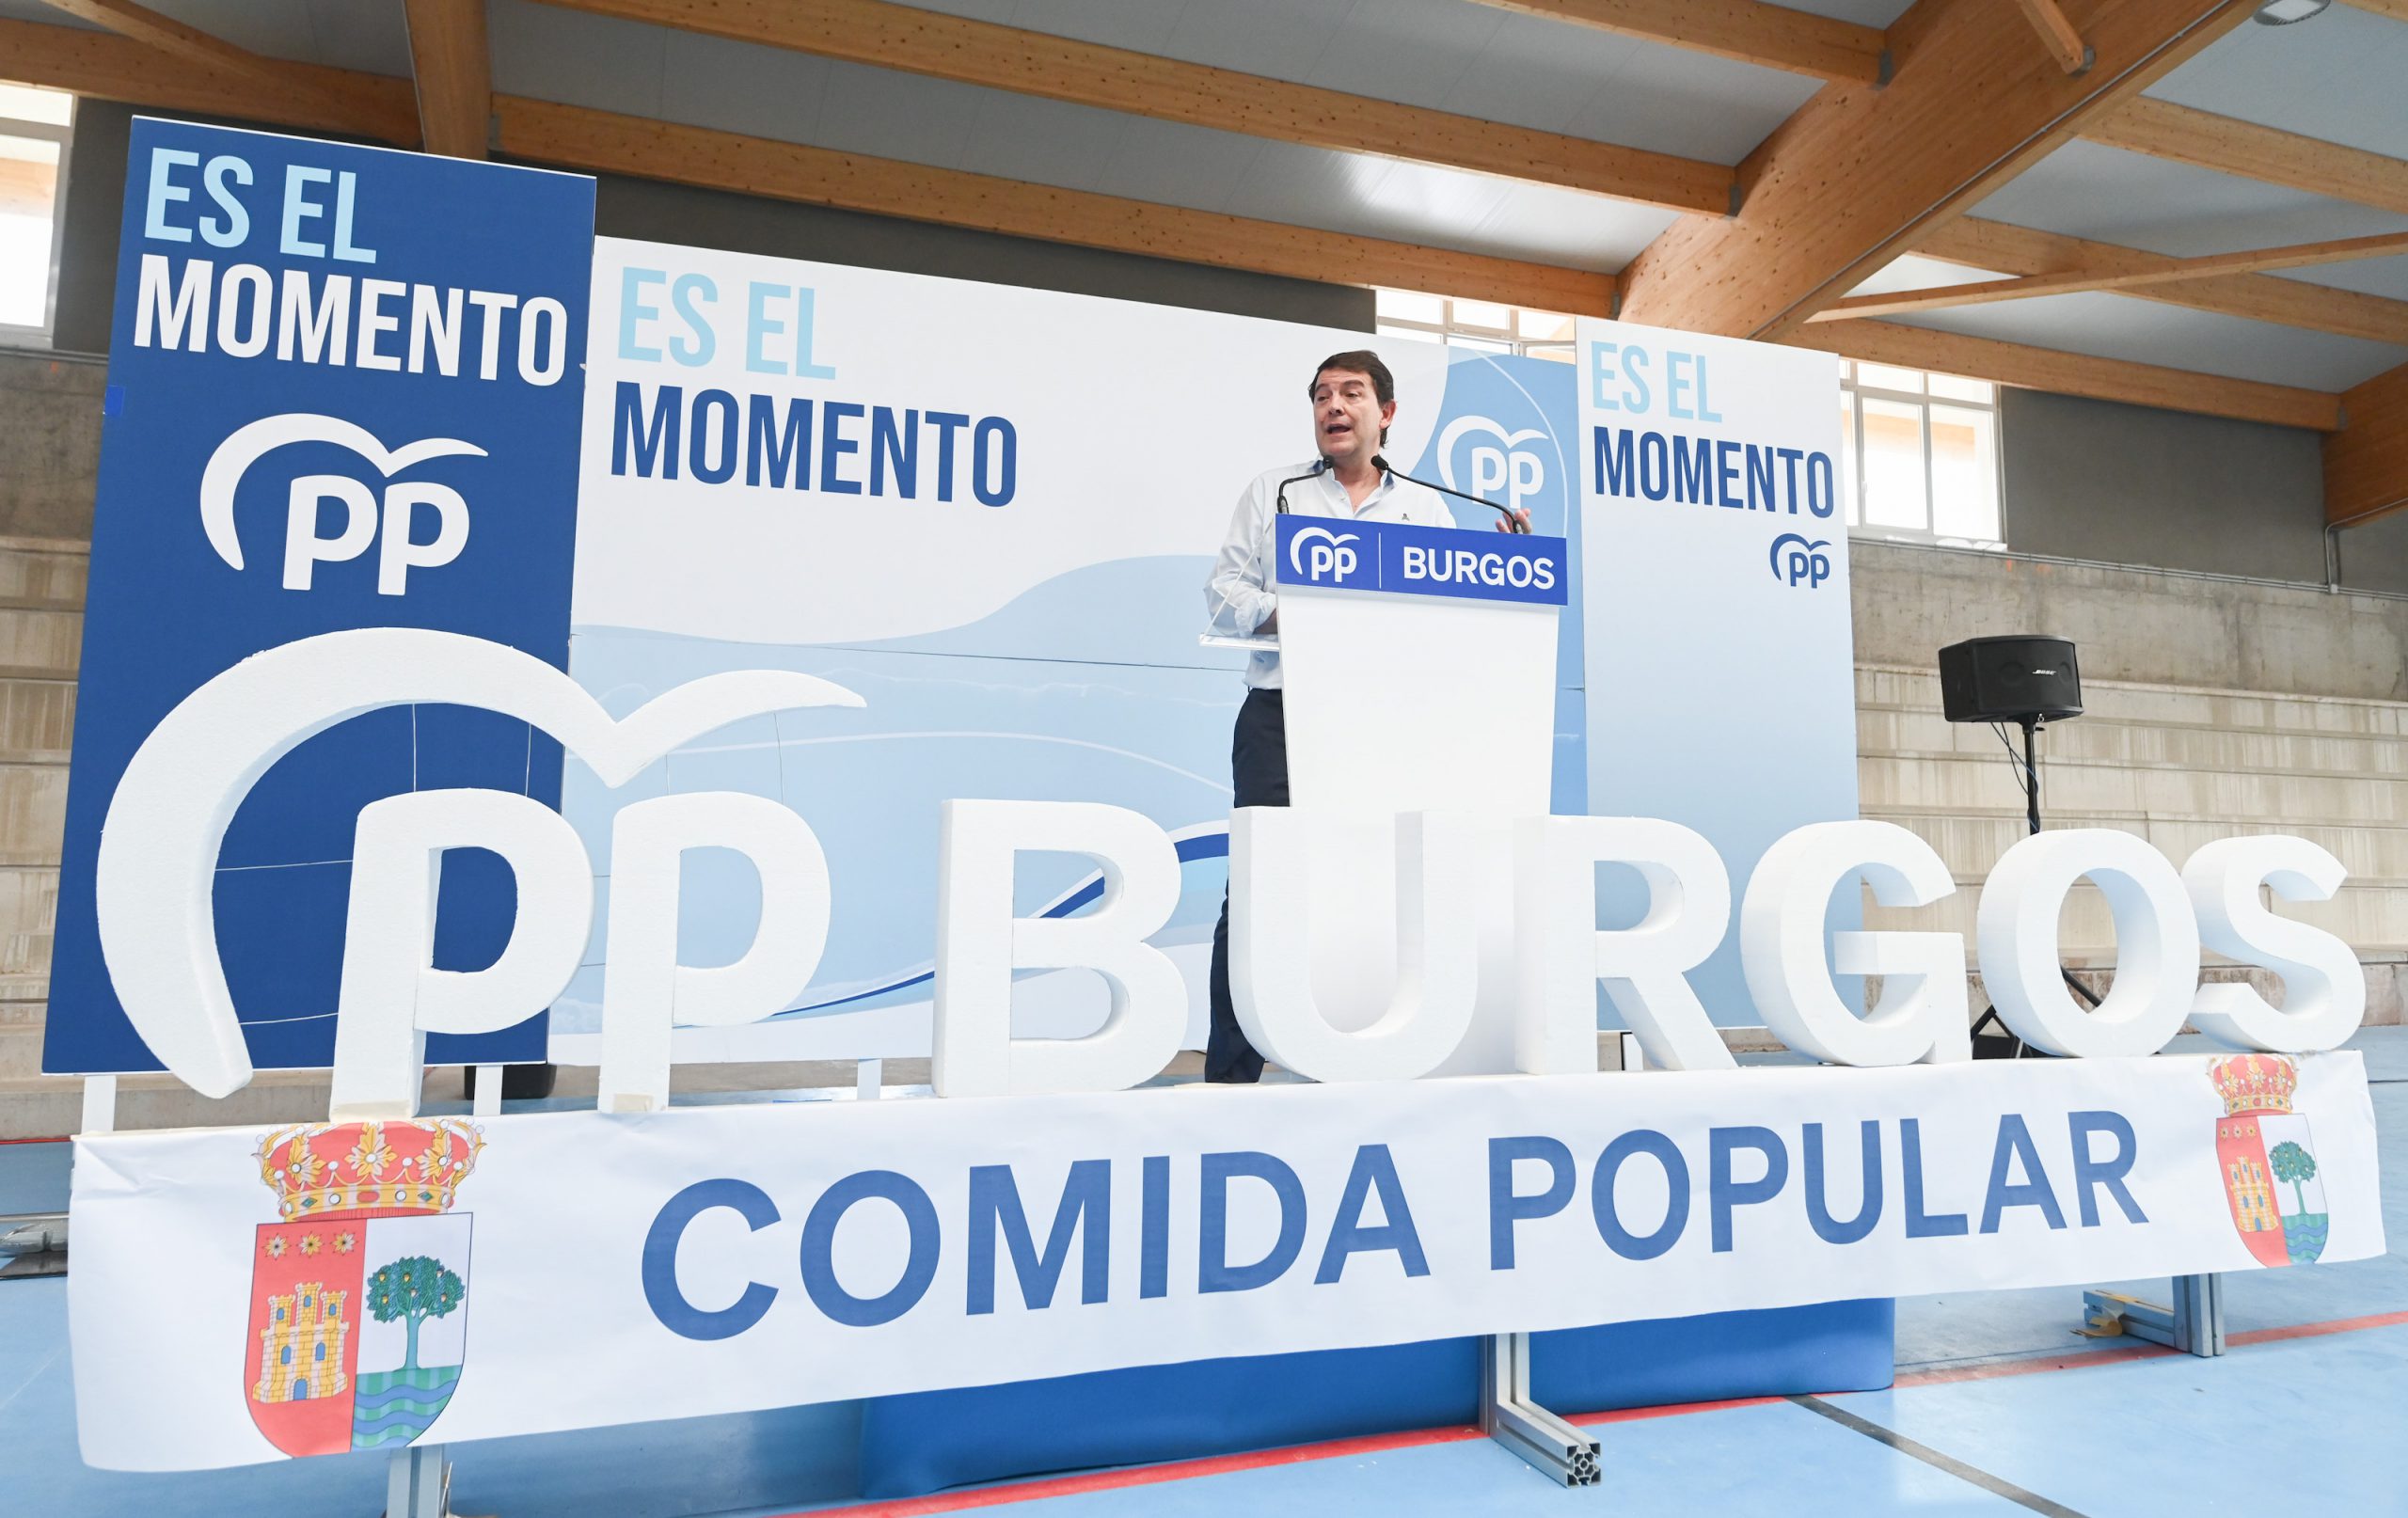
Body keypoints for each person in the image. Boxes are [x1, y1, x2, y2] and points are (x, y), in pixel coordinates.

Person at [1199, 349, 1524, 1083]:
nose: (1333, 407)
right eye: (1321, 396)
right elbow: (1222, 592)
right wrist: (1291, 614)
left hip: (1383, 721)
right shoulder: (1274, 491)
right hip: (1280, 715)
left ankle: (1372, 1051)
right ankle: (1229, 1080)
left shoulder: (1423, 506)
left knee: (1380, 882)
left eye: (1351, 393)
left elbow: (1449, 609)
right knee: (1258, 890)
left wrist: (1508, 567)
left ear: (1388, 412)